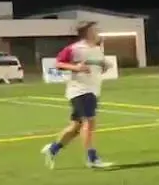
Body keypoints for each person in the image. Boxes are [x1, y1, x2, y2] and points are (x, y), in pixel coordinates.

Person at [42, 22, 113, 168]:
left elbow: (99, 67)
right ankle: (92, 158)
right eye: (94, 30)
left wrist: (104, 66)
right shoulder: (74, 48)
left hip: (93, 90)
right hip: (80, 90)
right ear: (87, 32)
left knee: (76, 127)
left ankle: (52, 149)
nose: (97, 32)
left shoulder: (97, 49)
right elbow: (58, 64)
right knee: (89, 122)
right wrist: (76, 67)